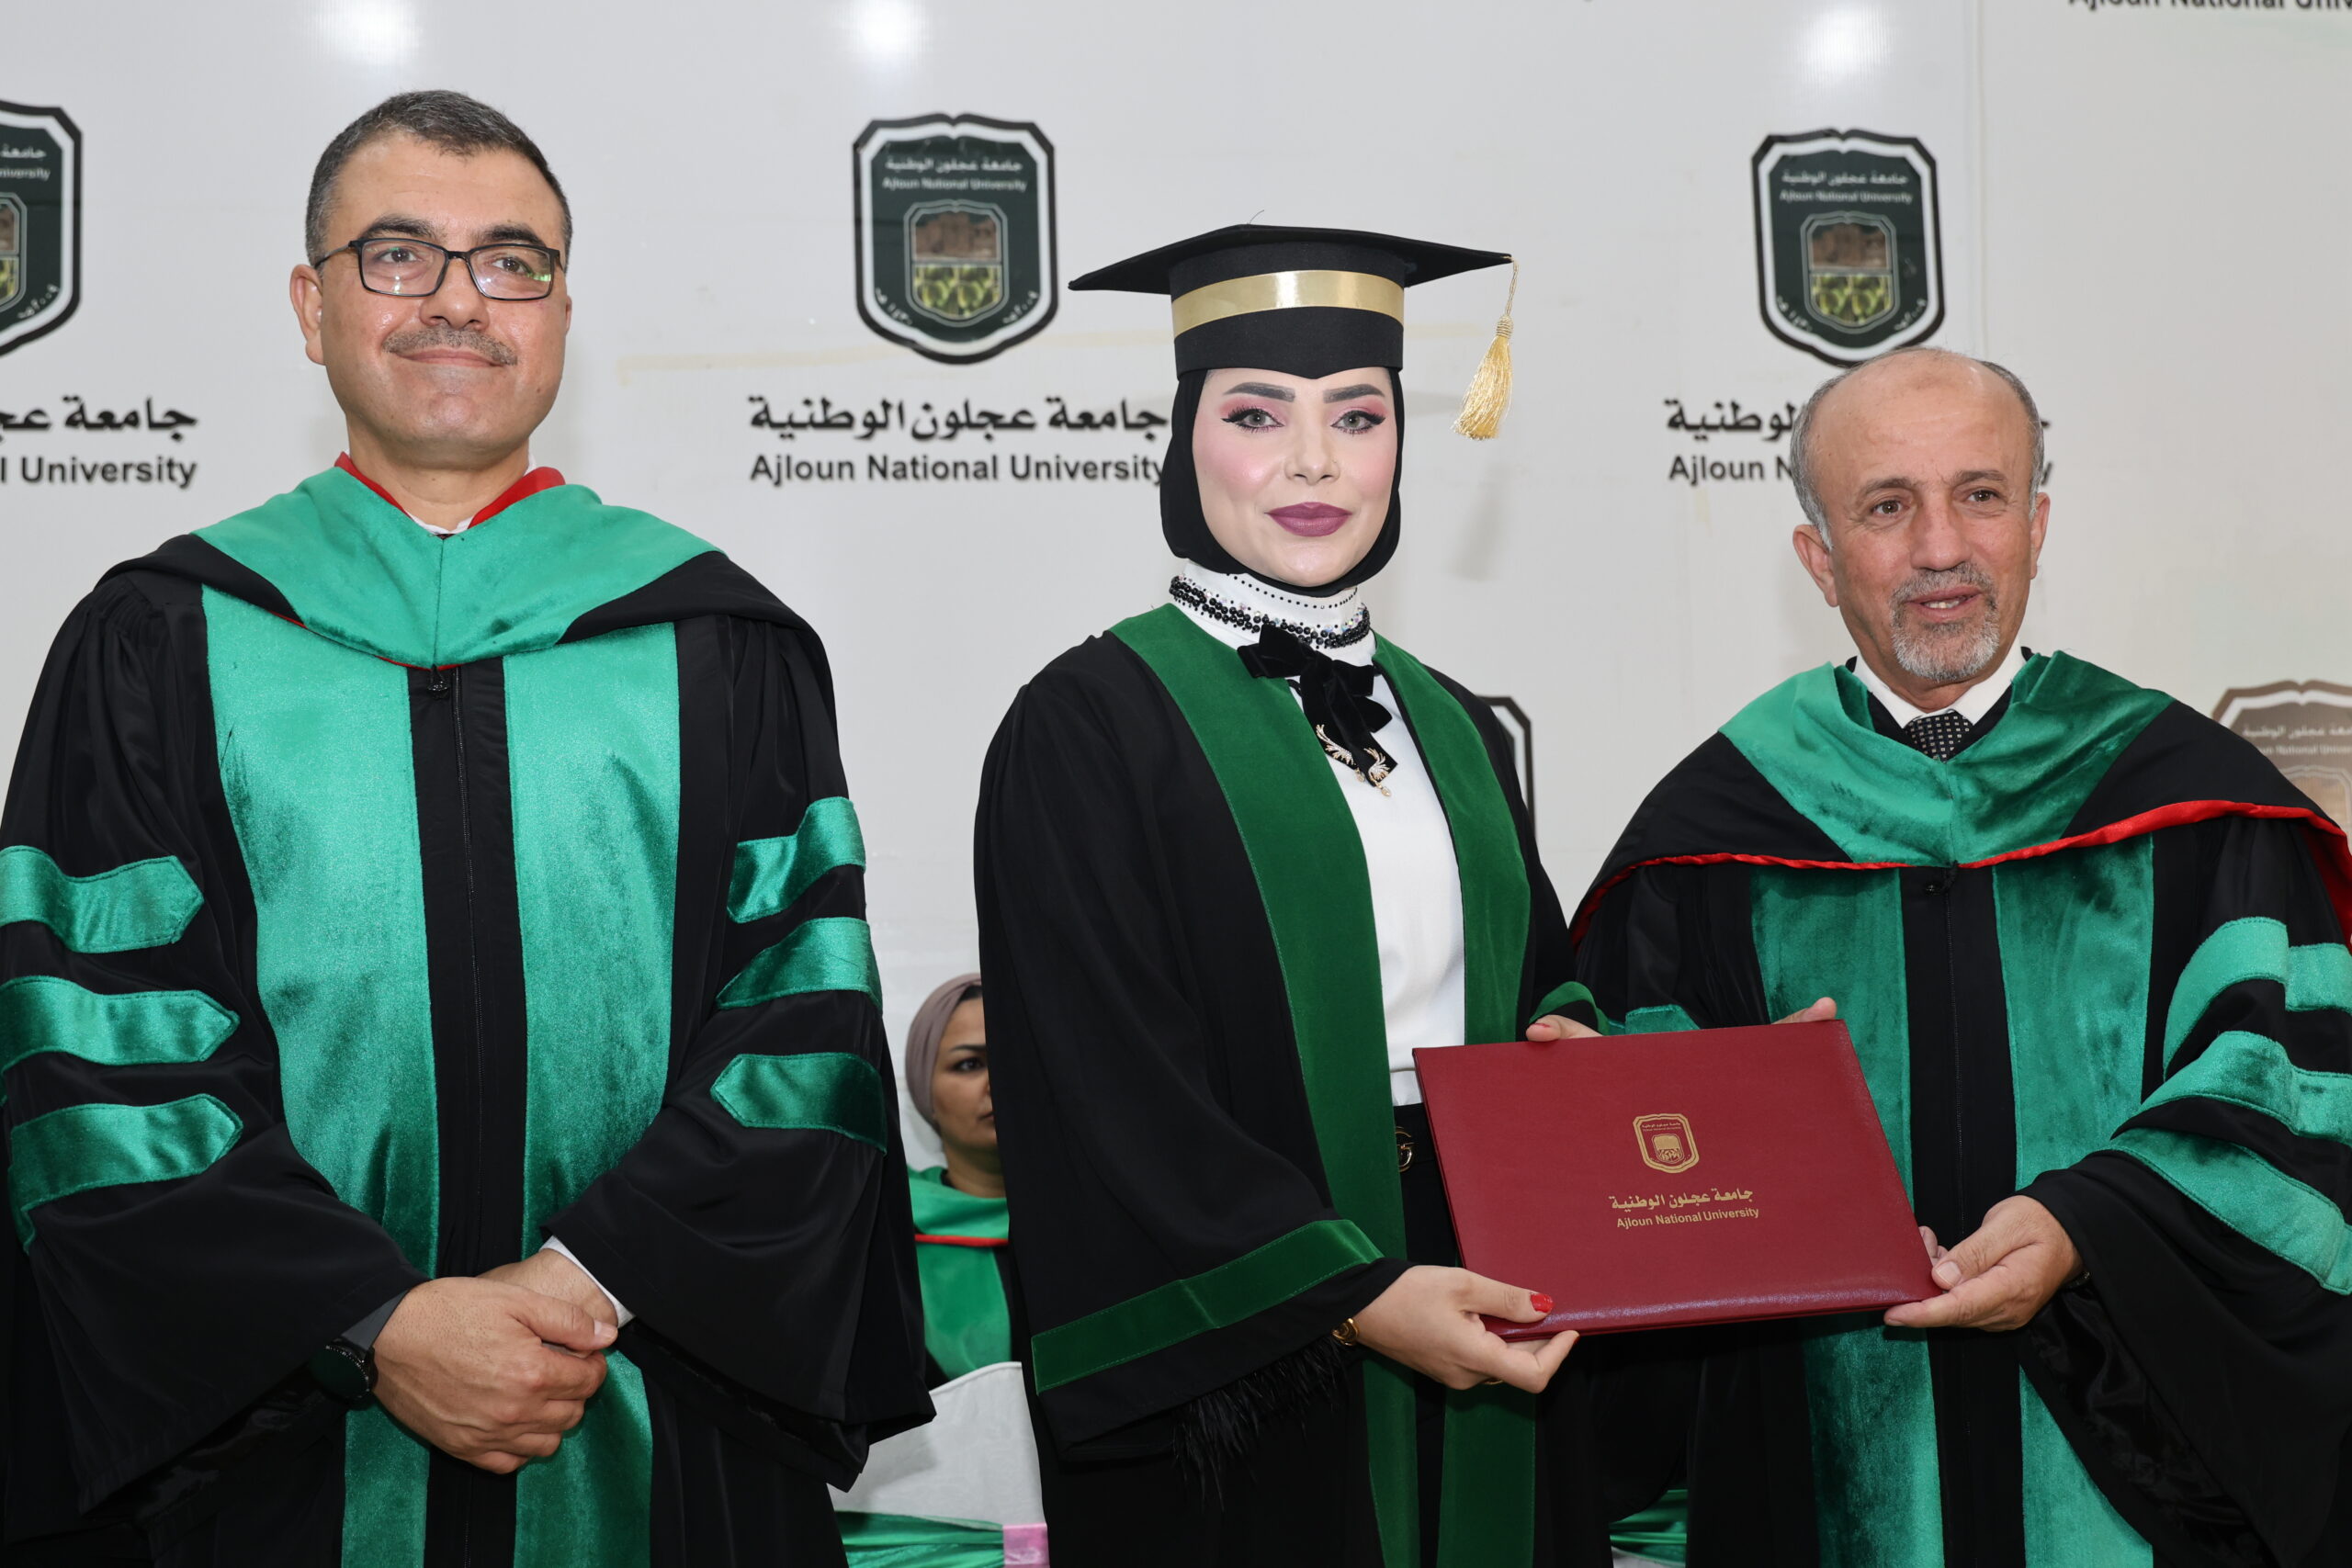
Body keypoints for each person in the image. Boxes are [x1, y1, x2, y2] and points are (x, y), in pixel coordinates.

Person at [0, 91, 927, 1565]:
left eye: (511, 261)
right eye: (397, 255)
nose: (457, 299)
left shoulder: (717, 641)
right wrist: (371, 1318)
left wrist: (590, 1279)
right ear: (311, 306)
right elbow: (101, 1043)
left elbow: (799, 1019)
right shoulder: (157, 639)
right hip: (280, 1432)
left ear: (561, 313)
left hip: (642, 1381)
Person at [1572, 345, 2352, 1566]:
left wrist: (2086, 1223)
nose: (1942, 546)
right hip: (1824, 1464)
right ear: (1819, 557)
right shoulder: (1707, 841)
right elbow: (1638, 1171)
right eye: (1887, 506)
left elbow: (2288, 1091)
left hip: (2130, 1483)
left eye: (1980, 495)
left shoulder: (2196, 808)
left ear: (2036, 525)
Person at [974, 225, 1612, 1568]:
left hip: (1486, 1268)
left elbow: (1533, 966)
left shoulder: (1452, 721)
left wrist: (1572, 1039)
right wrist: (1350, 1291)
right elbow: (1107, 1076)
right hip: (1250, 1324)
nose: (1316, 462)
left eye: (1359, 416)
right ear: (1183, 441)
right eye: (1257, 415)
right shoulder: (1090, 722)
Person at [900, 974, 1011, 1384]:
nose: (997, 1081)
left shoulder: (1105, 1222)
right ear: (924, 1092)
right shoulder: (888, 1239)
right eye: (969, 1064)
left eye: (1015, 1057)